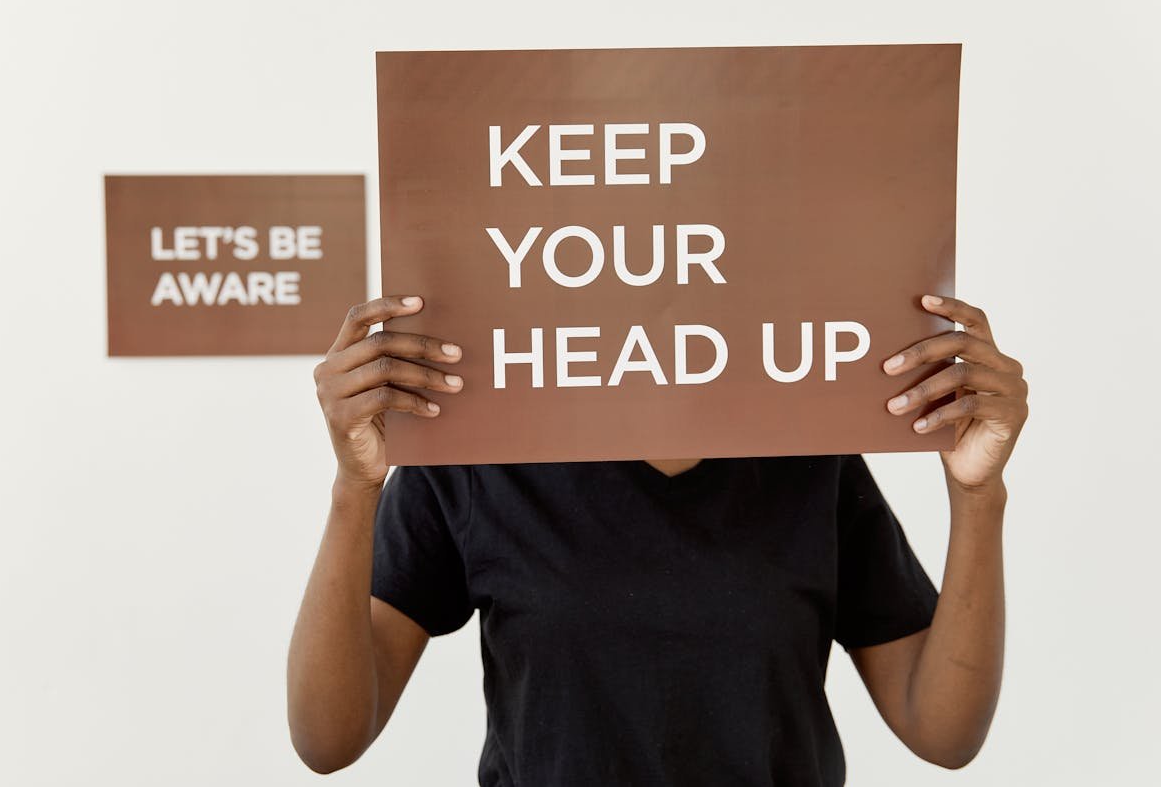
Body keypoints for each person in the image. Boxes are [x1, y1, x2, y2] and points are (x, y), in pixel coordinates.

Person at [286, 293, 1028, 786]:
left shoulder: (807, 452)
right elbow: (327, 737)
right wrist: (355, 484)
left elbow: (943, 730)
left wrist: (977, 494)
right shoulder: (488, 450)